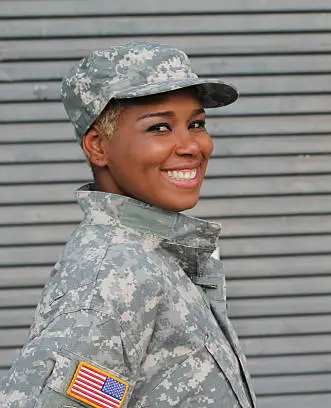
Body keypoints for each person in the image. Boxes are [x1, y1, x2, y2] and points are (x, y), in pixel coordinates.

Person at [0, 42, 256, 408]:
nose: (191, 146)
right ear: (97, 146)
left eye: (196, 124)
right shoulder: (112, 280)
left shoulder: (156, 254)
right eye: (160, 127)